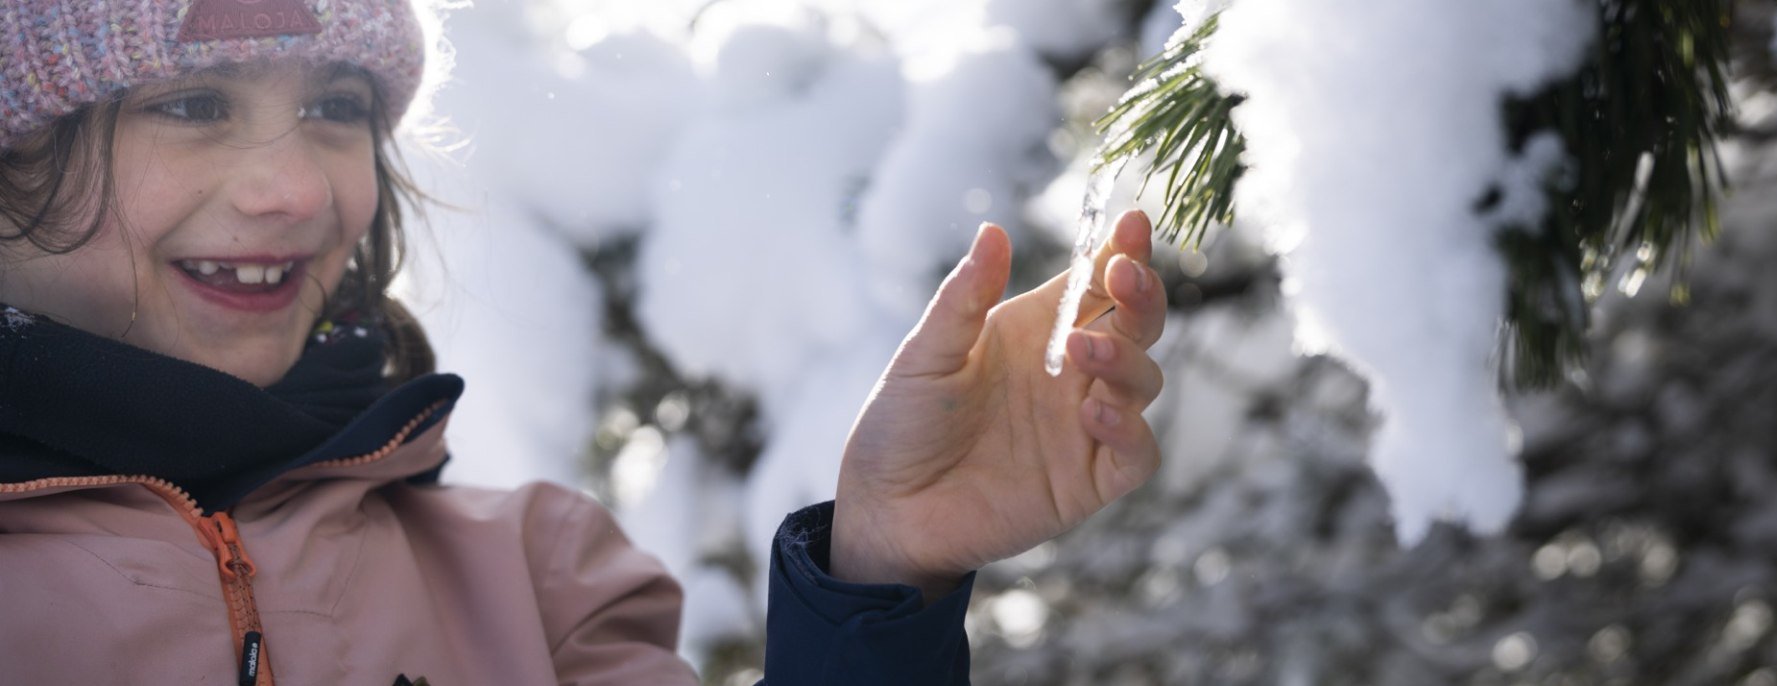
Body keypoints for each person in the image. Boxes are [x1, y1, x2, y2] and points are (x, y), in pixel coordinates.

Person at [0, 0, 1168, 683]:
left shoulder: (536, 581)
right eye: (195, 107)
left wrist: (883, 570)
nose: (296, 187)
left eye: (336, 110)